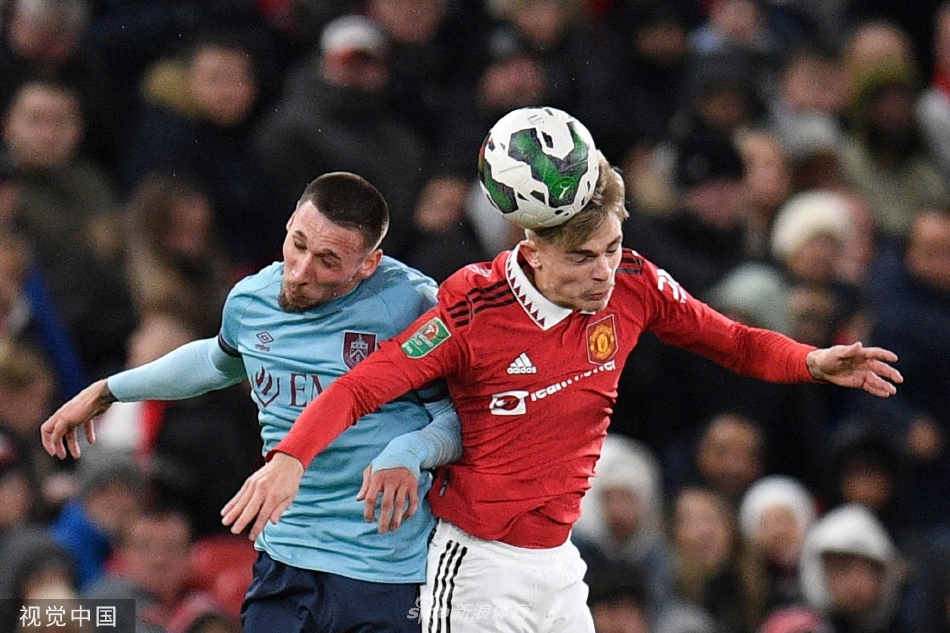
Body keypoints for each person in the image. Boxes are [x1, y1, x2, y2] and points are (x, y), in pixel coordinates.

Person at [81, 112, 907, 628]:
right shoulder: (469, 309)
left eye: (612, 248)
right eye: (584, 257)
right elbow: (366, 384)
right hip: (472, 564)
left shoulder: (635, 283)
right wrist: (293, 455)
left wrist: (810, 359)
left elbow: (730, 338)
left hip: (559, 560)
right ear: (533, 251)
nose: (604, 270)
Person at [40, 172, 462, 633]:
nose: (300, 272)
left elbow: (460, 418)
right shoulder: (251, 300)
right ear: (290, 224)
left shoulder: (413, 307)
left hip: (385, 570)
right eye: (298, 245)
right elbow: (216, 362)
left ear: (368, 263)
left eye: (328, 261)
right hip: (287, 557)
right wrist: (108, 390)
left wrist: (409, 451)